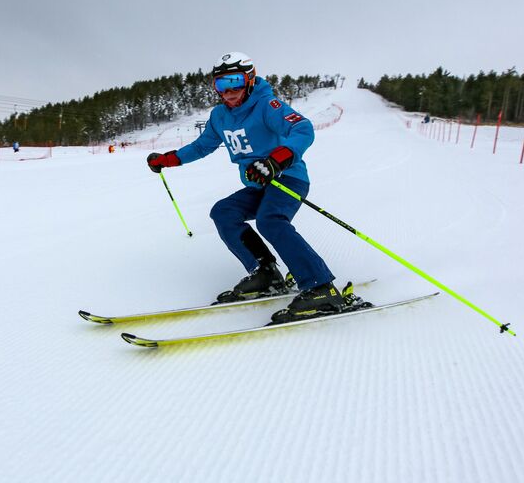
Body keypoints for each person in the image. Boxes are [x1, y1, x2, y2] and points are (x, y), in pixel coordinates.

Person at [146, 52, 367, 324]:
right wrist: (170, 159)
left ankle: (321, 287)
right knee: (223, 212)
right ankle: (265, 273)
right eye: (220, 85)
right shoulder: (219, 116)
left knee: (270, 220)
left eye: (235, 82)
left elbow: (303, 129)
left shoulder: (267, 105)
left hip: (287, 178)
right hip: (258, 185)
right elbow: (202, 146)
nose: (228, 92)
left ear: (250, 79)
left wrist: (276, 160)